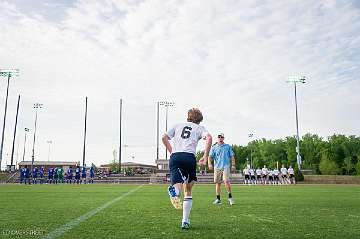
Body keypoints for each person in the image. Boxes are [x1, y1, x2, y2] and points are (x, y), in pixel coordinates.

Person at [162, 108, 212, 230]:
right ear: (199, 120)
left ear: (188, 117)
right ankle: (185, 221)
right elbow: (209, 138)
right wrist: (205, 157)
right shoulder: (199, 128)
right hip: (189, 157)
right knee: (188, 189)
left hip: (175, 156)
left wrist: (172, 151)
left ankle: (175, 192)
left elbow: (164, 137)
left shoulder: (177, 125)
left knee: (178, 184)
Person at [208, 133, 236, 206]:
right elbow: (210, 157)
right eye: (219, 137)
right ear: (217, 138)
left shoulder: (227, 146)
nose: (220, 138)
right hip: (217, 167)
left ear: (223, 138)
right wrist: (210, 164)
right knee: (218, 183)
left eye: (221, 137)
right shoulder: (214, 147)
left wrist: (233, 165)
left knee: (226, 181)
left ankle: (230, 198)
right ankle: (218, 199)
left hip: (225, 166)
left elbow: (232, 156)